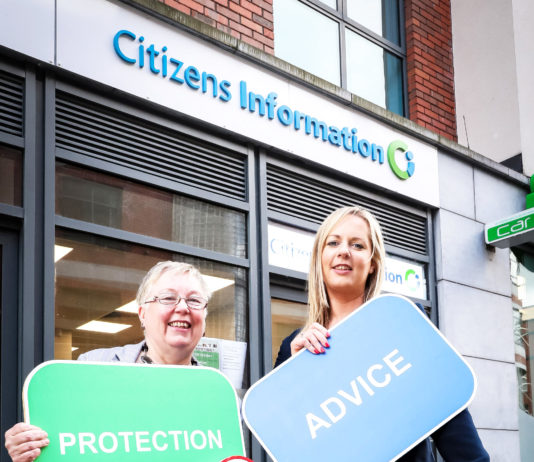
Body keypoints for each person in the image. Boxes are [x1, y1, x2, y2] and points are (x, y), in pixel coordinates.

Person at [274, 206, 489, 462]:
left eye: (357, 245)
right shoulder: (294, 347)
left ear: (373, 264)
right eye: (333, 242)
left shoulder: (403, 323)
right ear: (319, 258)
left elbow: (458, 436)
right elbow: (287, 441)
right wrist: (296, 373)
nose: (344, 251)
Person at [5, 261, 211, 462]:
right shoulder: (90, 368)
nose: (183, 307)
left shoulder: (219, 396)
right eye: (168, 297)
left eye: (194, 300)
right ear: (142, 314)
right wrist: (28, 448)